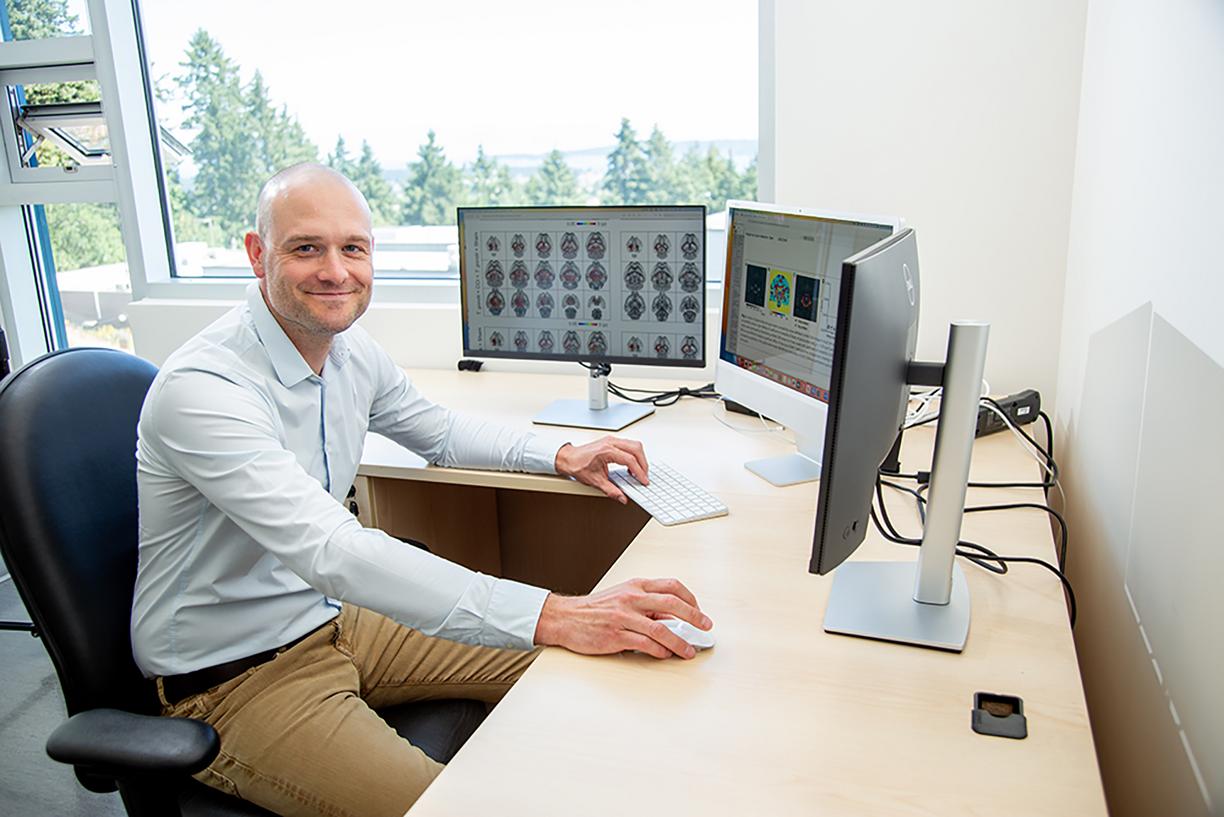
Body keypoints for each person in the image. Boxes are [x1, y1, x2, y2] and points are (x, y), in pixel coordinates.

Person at [131, 163, 712, 817]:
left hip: (335, 619)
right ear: (256, 253)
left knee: (599, 664)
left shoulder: (348, 350)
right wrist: (555, 611)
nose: (335, 271)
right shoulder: (204, 389)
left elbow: (439, 431)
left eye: (353, 248)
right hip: (237, 677)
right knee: (460, 806)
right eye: (306, 248)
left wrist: (560, 454)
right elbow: (336, 552)